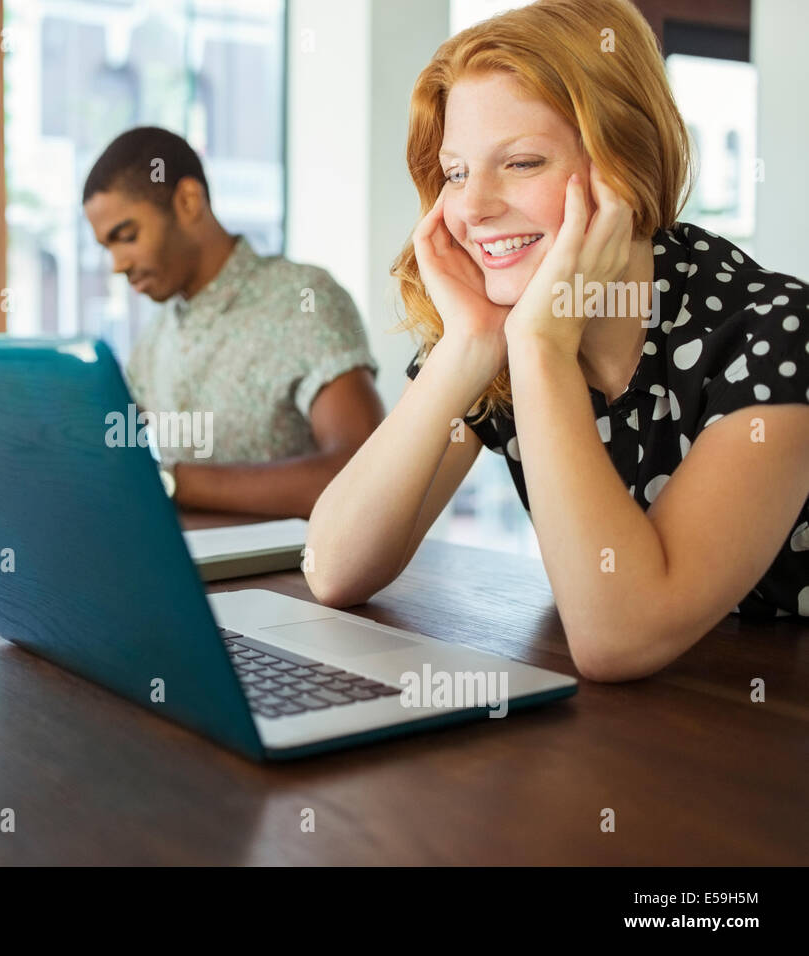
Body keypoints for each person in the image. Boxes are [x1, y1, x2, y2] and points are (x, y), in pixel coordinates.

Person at [306, 0, 809, 681]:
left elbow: (617, 639)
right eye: (456, 172)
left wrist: (539, 345)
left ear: (624, 166)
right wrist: (467, 348)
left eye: (520, 162)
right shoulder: (501, 327)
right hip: (670, 724)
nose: (474, 206)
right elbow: (334, 568)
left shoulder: (775, 333)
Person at [83, 126, 385, 518]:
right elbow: (113, 450)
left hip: (298, 574)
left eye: (127, 236)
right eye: (107, 247)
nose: (117, 264)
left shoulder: (303, 298)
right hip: (183, 569)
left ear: (188, 201)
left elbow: (365, 474)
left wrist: (173, 482)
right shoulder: (156, 338)